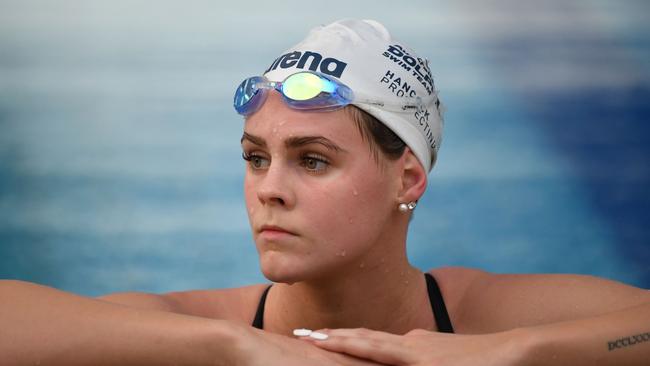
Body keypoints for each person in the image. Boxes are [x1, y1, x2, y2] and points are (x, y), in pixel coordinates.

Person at [1, 18, 649, 366]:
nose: (269, 191)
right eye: (256, 159)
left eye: (312, 161)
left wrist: (515, 353)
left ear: (409, 178)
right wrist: (239, 349)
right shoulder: (198, 331)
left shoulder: (485, 318)